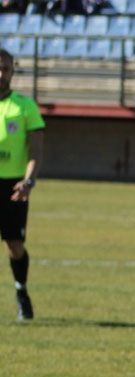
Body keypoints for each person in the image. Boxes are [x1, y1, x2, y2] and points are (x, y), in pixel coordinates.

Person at [0, 50, 43, 322]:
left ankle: (21, 292)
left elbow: (36, 149)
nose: (1, 73)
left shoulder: (24, 106)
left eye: (5, 68)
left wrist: (28, 180)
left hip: (13, 187)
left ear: (13, 71)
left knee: (14, 245)